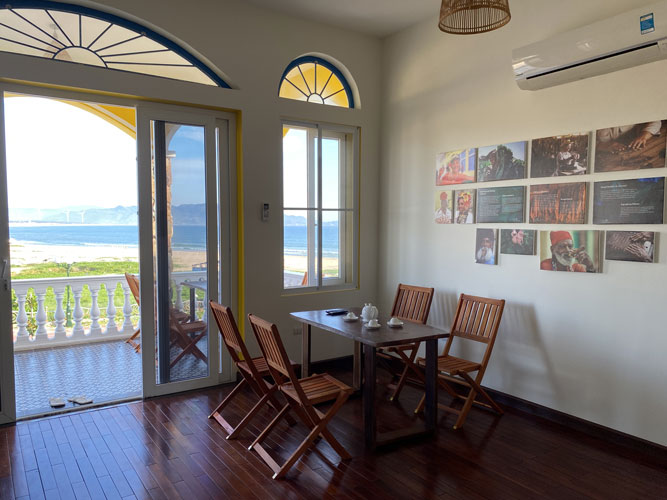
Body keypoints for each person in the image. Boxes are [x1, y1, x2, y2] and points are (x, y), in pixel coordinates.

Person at [596, 121, 662, 152]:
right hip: (604, 154)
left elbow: (656, 121)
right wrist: (602, 146)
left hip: (633, 146)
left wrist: (643, 136)